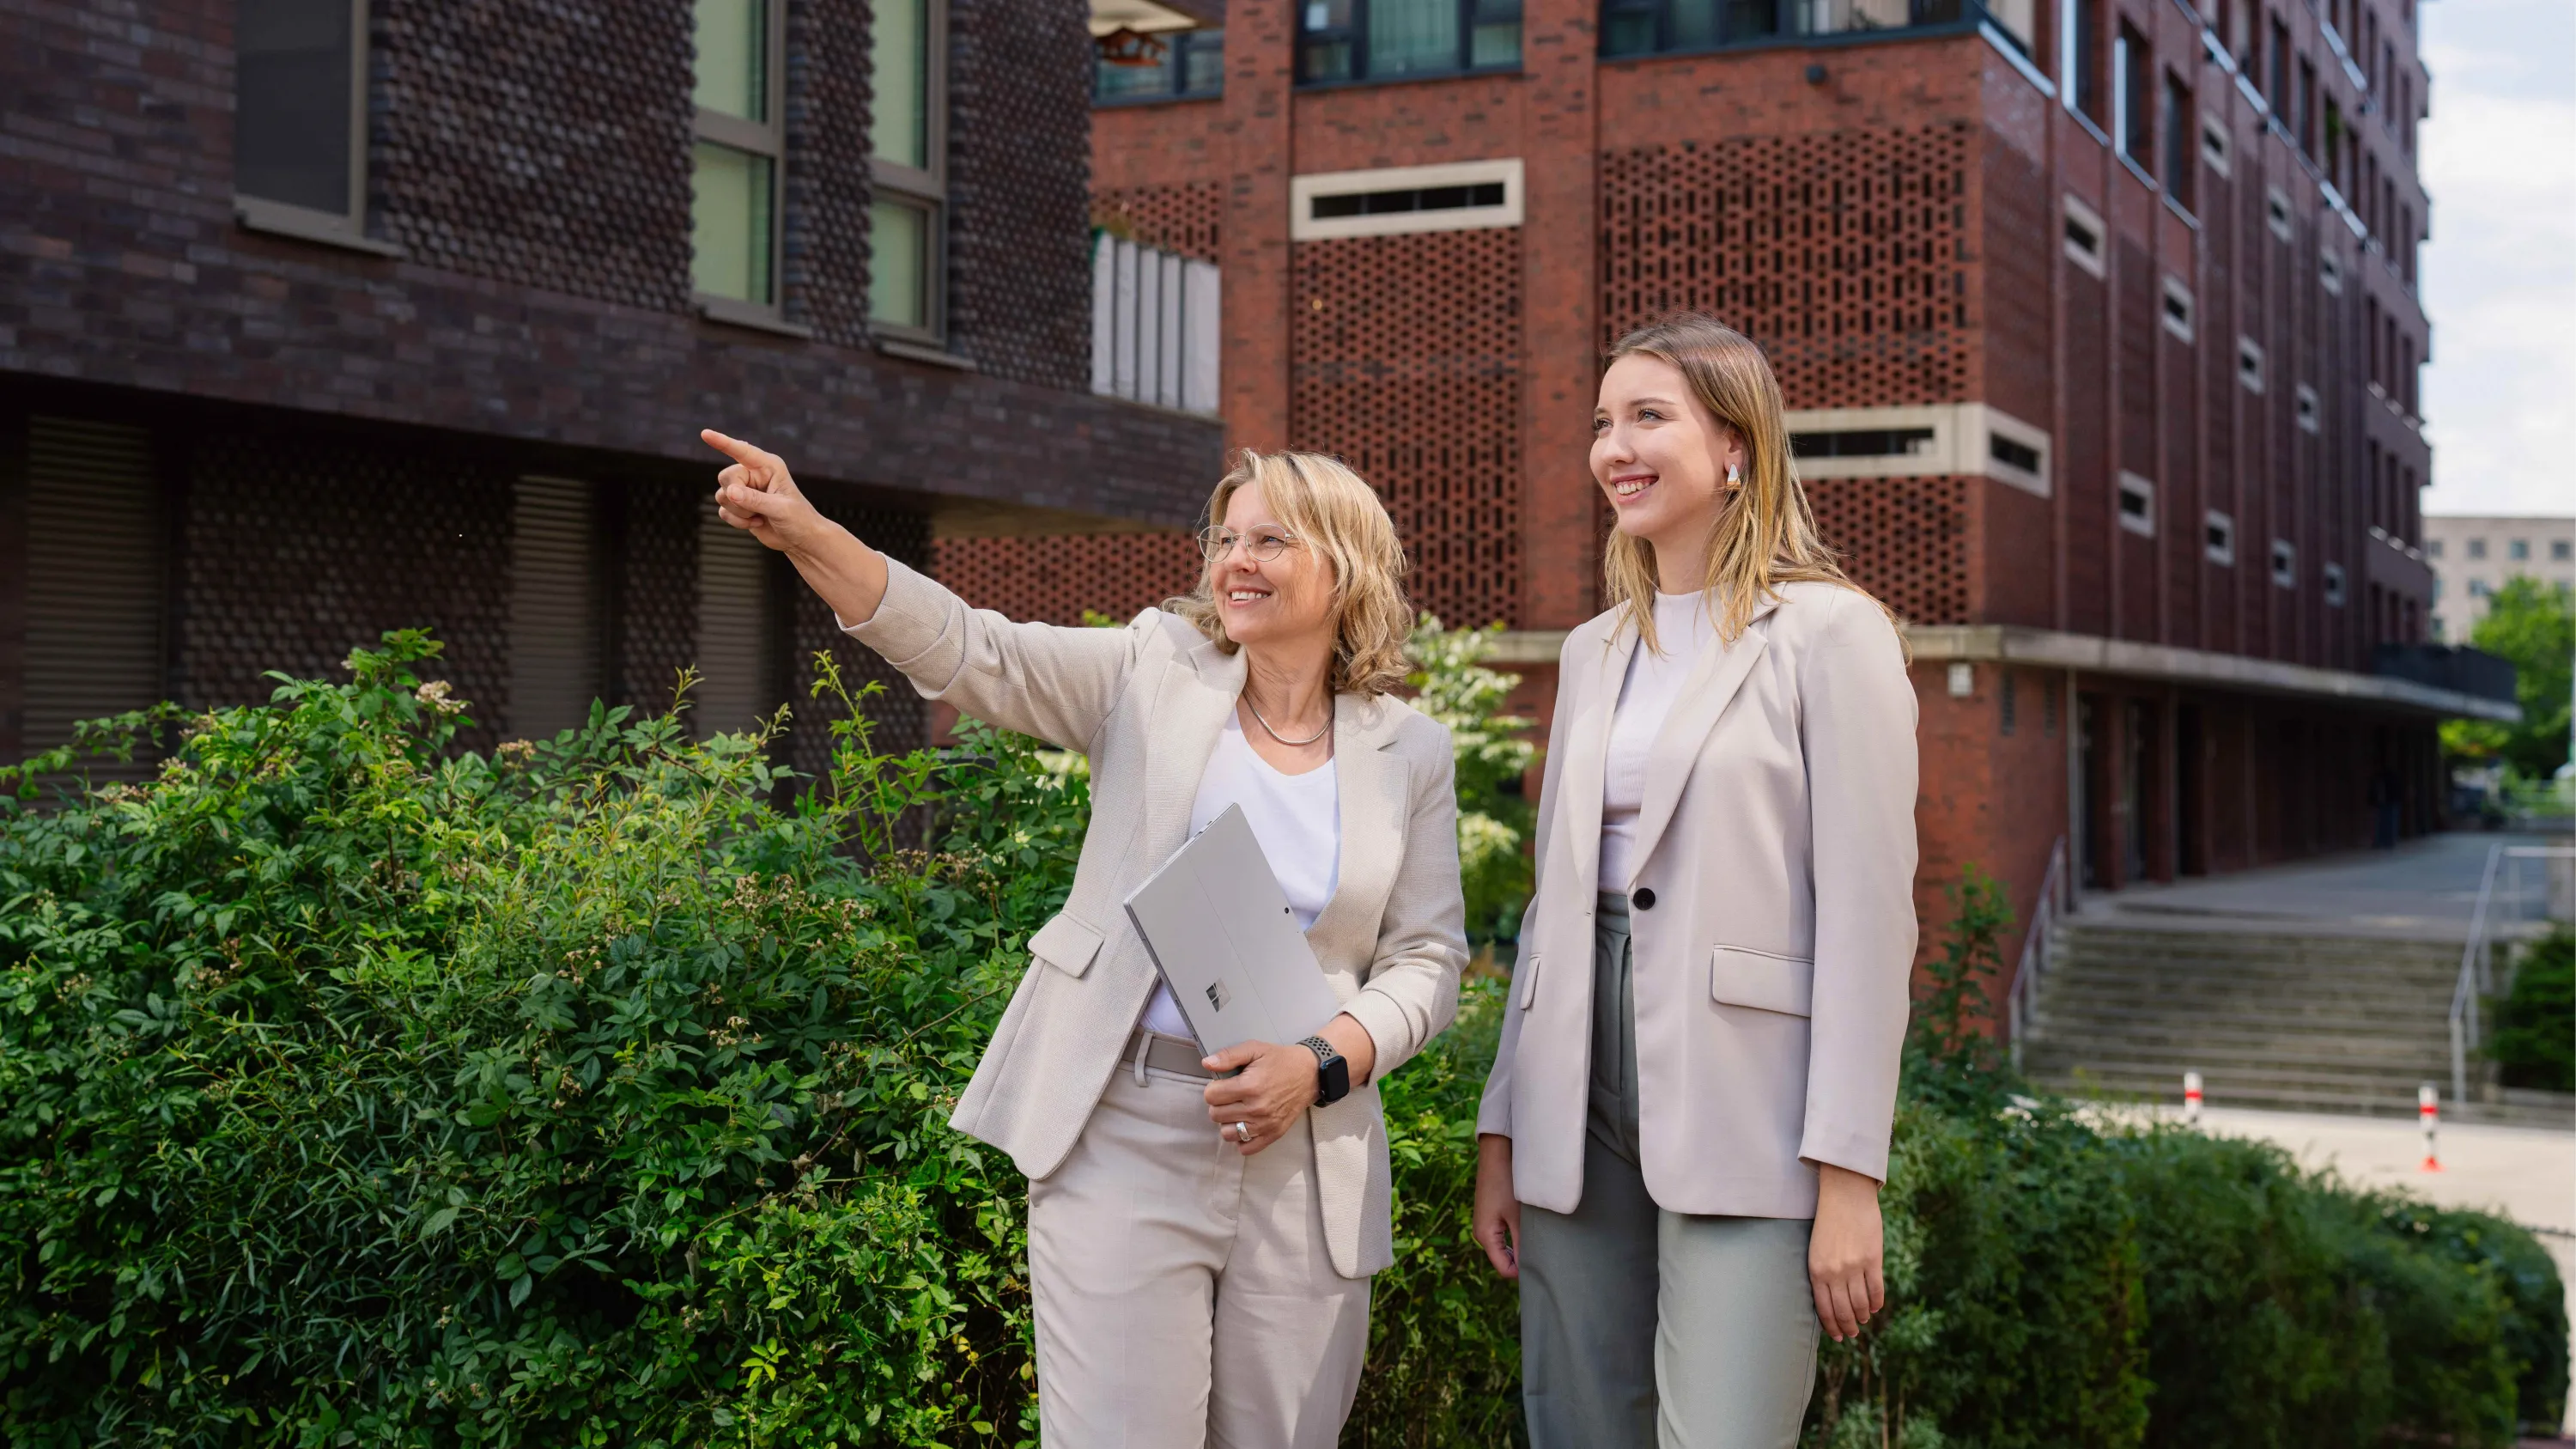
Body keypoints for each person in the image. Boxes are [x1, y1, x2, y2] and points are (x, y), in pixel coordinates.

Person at [700, 435, 1466, 1449]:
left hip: (1309, 1156)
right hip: (1126, 1130)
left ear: (1346, 564)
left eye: (1270, 540)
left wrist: (1320, 1062)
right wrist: (809, 533)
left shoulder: (1410, 749)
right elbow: (974, 648)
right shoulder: (1152, 670)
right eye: (1225, 538)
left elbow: (1428, 961)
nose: (1234, 560)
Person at [1470, 313, 1919, 1449]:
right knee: (1579, 1424)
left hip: (1747, 1105)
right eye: (1603, 422)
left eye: (1648, 417)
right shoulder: (1590, 651)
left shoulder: (1831, 634)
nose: (1615, 446)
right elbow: (1550, 910)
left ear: (1734, 448)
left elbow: (1869, 919)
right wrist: (1503, 1127)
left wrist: (1849, 1172)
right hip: (1573, 1091)